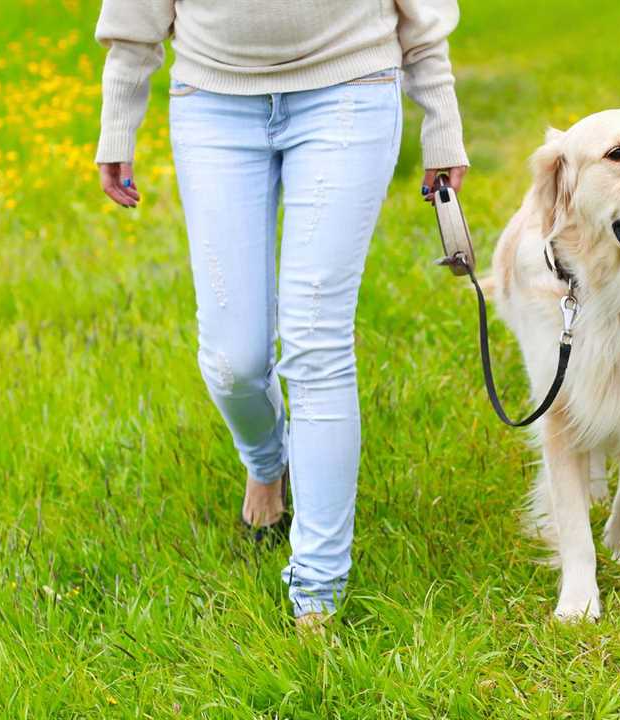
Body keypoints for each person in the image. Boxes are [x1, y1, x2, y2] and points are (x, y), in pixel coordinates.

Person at [93, 0, 468, 628]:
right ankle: (268, 463)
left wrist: (442, 122)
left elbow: (424, 18)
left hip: (349, 88)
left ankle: (317, 592)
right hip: (212, 102)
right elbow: (134, 18)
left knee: (317, 341)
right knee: (232, 360)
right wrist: (118, 122)